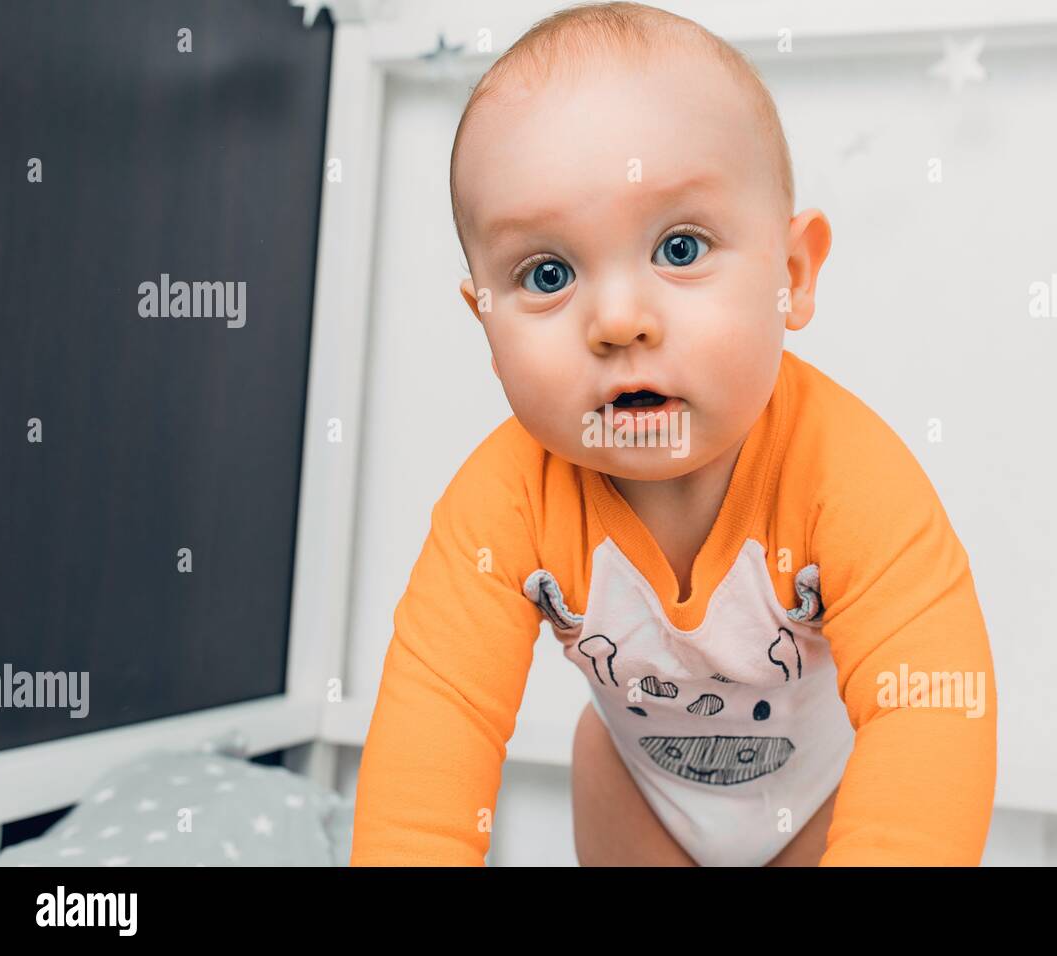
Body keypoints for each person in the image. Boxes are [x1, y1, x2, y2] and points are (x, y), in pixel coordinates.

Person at [350, 1, 996, 867]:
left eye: (681, 249)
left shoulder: (849, 476)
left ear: (793, 276)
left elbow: (930, 707)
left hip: (824, 804)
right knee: (596, 752)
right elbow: (437, 721)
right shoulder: (503, 504)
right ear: (486, 320)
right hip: (639, 794)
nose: (618, 320)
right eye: (548, 273)